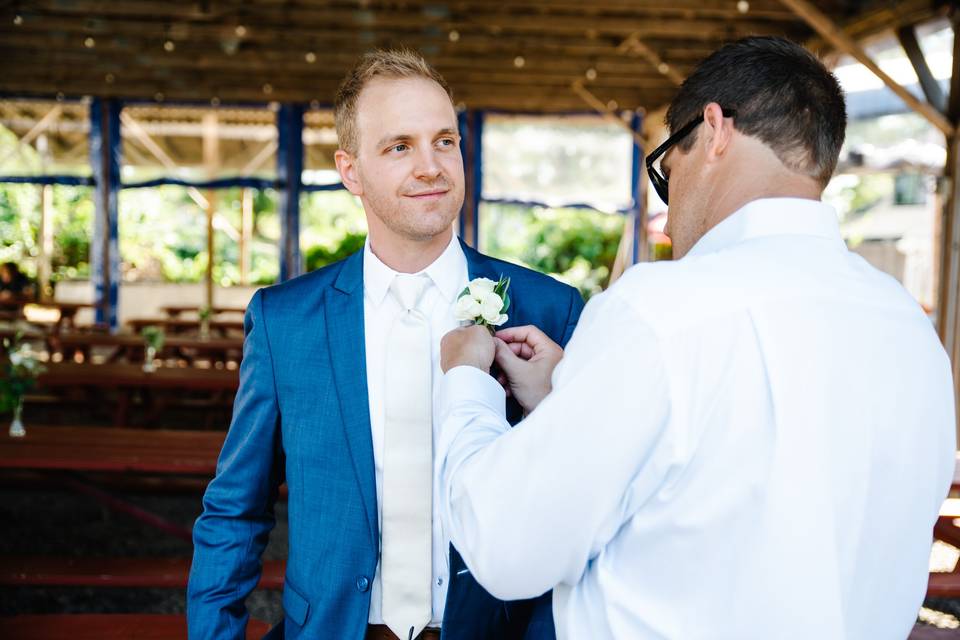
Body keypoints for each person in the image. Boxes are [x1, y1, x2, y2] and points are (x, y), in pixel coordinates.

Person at [436, 36, 956, 639]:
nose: (671, 194)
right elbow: (749, 481)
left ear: (713, 130)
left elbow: (505, 544)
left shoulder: (663, 310)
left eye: (666, 167)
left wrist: (467, 386)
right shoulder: (911, 331)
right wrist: (569, 395)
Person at [187, 49, 584, 640]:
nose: (430, 166)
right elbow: (236, 510)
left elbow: (581, 505)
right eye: (399, 147)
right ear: (350, 171)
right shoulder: (284, 321)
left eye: (443, 141)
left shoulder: (549, 308)